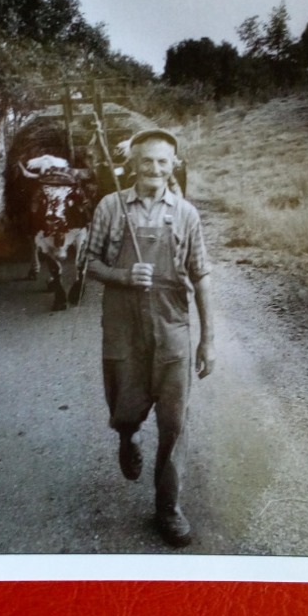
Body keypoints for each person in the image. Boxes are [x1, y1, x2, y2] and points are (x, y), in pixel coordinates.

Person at [87, 128, 215, 548]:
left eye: (163, 161)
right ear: (132, 163)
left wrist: (207, 339)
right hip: (123, 325)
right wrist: (122, 275)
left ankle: (167, 507)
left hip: (172, 324)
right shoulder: (110, 206)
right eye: (147, 161)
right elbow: (89, 262)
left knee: (175, 424)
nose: (155, 169)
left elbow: (201, 276)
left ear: (173, 165)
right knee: (125, 408)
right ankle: (127, 436)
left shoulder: (186, 214)